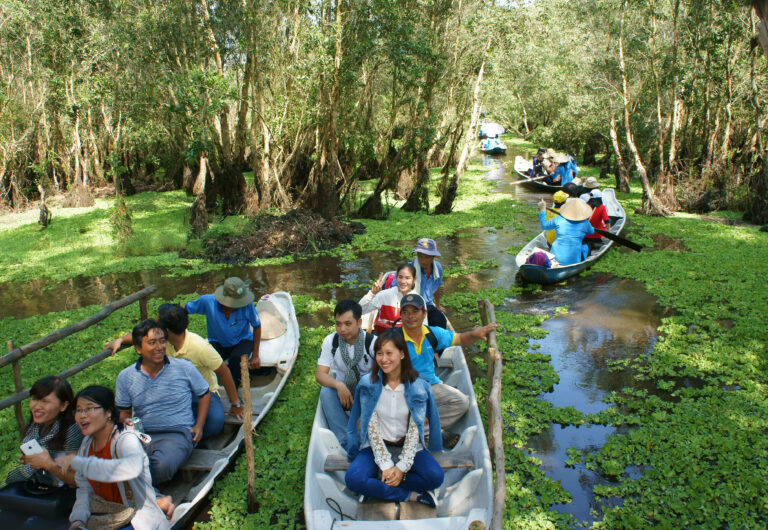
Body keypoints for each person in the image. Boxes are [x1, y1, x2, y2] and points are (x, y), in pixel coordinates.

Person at [105, 304, 245, 440]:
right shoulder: (162, 342)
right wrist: (121, 339)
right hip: (173, 390)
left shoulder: (199, 347)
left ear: (166, 330)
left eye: (157, 322)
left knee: (215, 422)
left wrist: (235, 404)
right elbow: (142, 337)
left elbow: (224, 372)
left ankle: (187, 435)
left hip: (202, 393)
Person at [345, 329, 443, 507]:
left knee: (435, 477)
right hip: (376, 446)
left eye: (389, 353)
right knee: (353, 479)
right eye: (379, 353)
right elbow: (370, 427)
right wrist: (385, 464)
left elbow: (416, 429)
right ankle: (410, 495)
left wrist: (401, 468)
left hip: (409, 446)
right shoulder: (368, 384)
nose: (384, 359)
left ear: (402, 354)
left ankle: (377, 484)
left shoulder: (418, 386)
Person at [57, 385, 171, 530]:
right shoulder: (87, 444)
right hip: (105, 518)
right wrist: (78, 520)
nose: (82, 415)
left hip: (137, 520)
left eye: (89, 408)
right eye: (78, 410)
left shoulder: (126, 440)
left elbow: (129, 470)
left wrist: (80, 463)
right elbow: (84, 488)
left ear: (108, 412)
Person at [115, 320, 210, 484]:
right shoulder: (126, 377)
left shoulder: (183, 367)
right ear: (138, 348)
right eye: (152, 343)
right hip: (142, 435)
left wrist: (199, 425)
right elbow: (123, 413)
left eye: (162, 341)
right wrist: (125, 420)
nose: (159, 347)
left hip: (177, 434)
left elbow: (204, 394)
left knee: (160, 466)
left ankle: (141, 491)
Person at [398, 293, 496, 432]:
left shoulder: (433, 333)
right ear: (400, 314)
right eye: (405, 312)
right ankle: (423, 428)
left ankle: (424, 429)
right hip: (404, 388)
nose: (410, 316)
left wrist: (476, 334)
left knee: (461, 402)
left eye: (415, 311)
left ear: (424, 313)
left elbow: (461, 339)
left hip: (430, 385)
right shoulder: (394, 339)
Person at [315, 300, 376, 451]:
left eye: (348, 323)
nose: (342, 329)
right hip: (345, 394)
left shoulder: (372, 342)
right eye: (338, 323)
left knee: (366, 380)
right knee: (326, 391)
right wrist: (339, 385)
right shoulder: (332, 341)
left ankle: (367, 432)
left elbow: (385, 376)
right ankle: (346, 441)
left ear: (359, 322)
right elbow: (320, 374)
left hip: (367, 396)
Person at [3, 376, 83, 487]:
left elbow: (78, 480)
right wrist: (32, 461)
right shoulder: (37, 426)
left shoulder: (72, 431)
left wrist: (49, 465)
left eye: (45, 401)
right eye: (35, 399)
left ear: (63, 405)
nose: (37, 406)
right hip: (41, 487)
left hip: (64, 495)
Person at [185, 277, 262, 388]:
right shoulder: (207, 302)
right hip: (217, 341)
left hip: (242, 340)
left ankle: (235, 392)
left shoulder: (247, 305)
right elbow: (184, 310)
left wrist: (255, 355)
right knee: (203, 358)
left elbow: (257, 326)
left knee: (236, 360)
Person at [359, 263, 419, 334]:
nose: (403, 281)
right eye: (400, 277)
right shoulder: (383, 295)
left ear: (414, 280)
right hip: (382, 337)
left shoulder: (418, 300)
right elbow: (360, 311)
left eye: (407, 278)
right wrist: (372, 293)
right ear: (396, 277)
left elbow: (422, 326)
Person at [537, 197, 595, 265]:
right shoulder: (585, 223)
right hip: (574, 261)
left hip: (555, 257)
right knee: (586, 246)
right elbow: (591, 232)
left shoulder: (558, 219)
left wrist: (542, 210)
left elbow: (544, 226)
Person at [411, 238, 448, 329]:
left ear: (433, 257)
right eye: (420, 256)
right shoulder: (409, 269)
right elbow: (397, 291)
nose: (423, 261)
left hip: (427, 305)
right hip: (411, 306)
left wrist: (438, 305)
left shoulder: (437, 268)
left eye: (427, 257)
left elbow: (437, 286)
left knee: (441, 321)